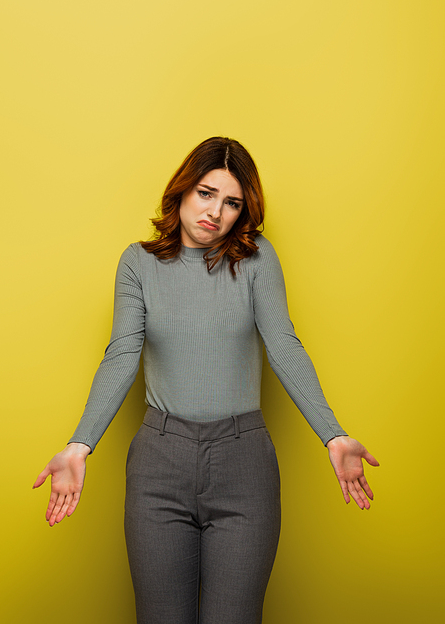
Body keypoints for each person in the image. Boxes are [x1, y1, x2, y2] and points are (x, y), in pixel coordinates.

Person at [34, 136, 379, 624]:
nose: (215, 212)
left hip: (244, 467)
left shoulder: (257, 258)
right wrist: (79, 444)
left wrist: (333, 433)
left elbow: (283, 344)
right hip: (160, 465)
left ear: (244, 211)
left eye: (232, 202)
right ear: (181, 190)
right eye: (205, 193)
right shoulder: (139, 263)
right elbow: (122, 354)